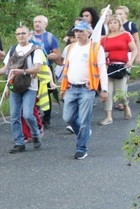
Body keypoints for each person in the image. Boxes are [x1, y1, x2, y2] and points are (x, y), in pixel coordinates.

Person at [0, 26, 45, 153]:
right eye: (18, 34)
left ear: (29, 34)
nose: (21, 36)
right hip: (15, 86)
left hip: (30, 86)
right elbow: (7, 68)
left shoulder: (36, 50)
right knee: (14, 115)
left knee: (28, 114)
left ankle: (36, 134)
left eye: (23, 33)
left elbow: (37, 69)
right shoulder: (13, 49)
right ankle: (19, 142)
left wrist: (22, 72)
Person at [58, 21, 109, 160]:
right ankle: (84, 132)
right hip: (71, 88)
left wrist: (104, 89)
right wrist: (63, 87)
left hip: (87, 89)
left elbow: (102, 69)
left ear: (89, 32)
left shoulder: (95, 48)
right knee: (68, 117)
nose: (78, 34)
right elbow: (66, 68)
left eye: (81, 31)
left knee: (85, 120)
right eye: (76, 31)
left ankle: (81, 148)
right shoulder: (70, 47)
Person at [99, 15, 136, 124]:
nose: (113, 25)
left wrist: (131, 61)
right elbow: (100, 53)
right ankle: (108, 116)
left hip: (122, 66)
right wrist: (104, 55)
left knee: (120, 92)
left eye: (115, 22)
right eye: (110, 23)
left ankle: (125, 105)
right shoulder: (104, 39)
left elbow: (134, 49)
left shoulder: (126, 35)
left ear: (119, 24)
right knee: (108, 91)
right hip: (108, 67)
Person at [32, 15, 61, 129]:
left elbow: (57, 54)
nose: (37, 24)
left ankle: (46, 118)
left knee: (47, 93)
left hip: (46, 69)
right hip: (33, 70)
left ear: (45, 24)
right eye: (35, 22)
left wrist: (46, 56)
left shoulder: (50, 37)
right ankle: (35, 115)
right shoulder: (29, 36)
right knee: (33, 93)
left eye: (39, 22)